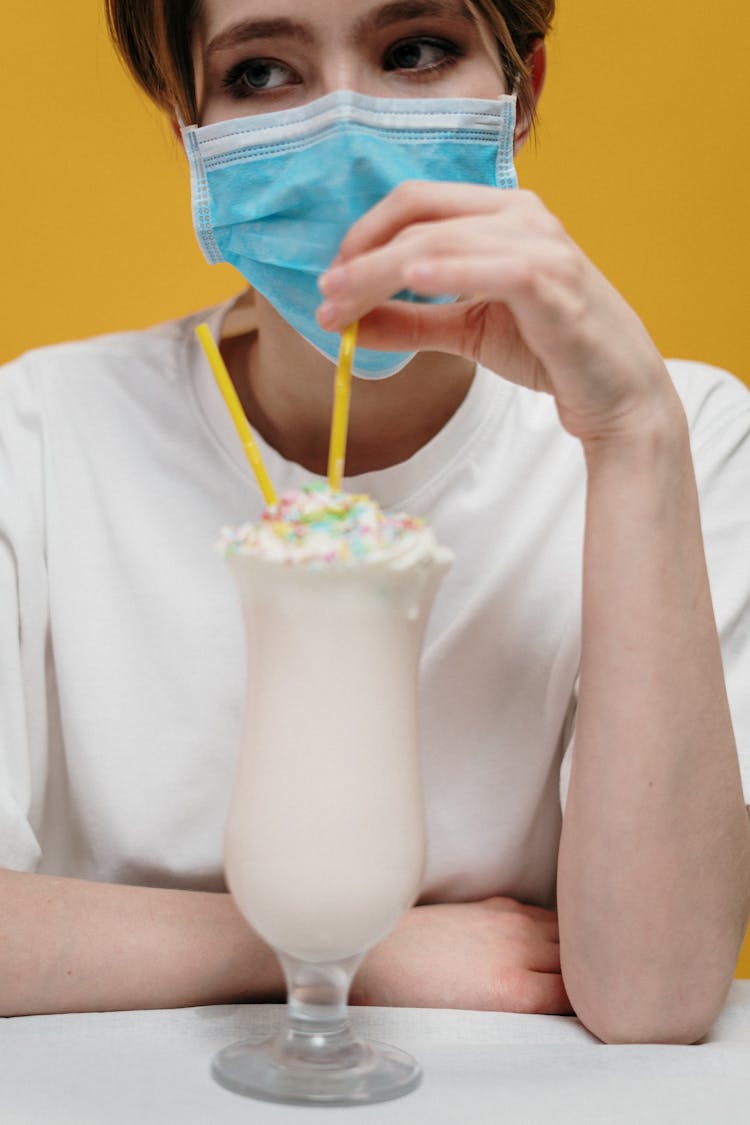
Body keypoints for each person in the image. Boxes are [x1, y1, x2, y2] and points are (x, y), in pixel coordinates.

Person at [0, 0, 748, 1043]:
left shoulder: (679, 439)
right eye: (261, 73)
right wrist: (356, 948)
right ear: (193, 139)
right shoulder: (34, 440)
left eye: (415, 52)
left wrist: (631, 436)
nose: (346, 130)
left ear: (519, 99)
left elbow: (658, 999)